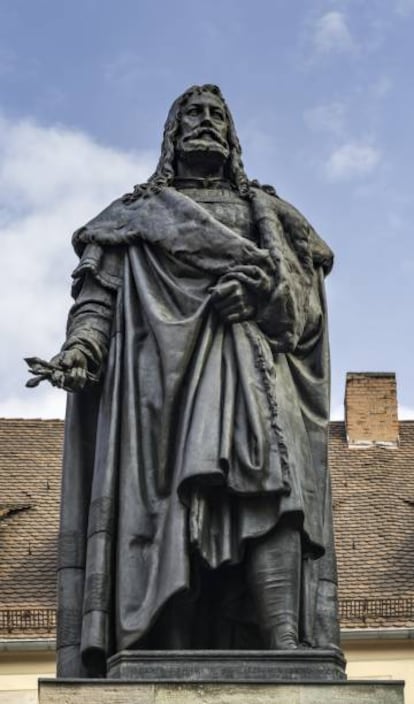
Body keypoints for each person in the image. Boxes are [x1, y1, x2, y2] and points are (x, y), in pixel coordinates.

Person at [29, 84, 340, 677]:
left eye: (216, 115)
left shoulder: (270, 215)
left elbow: (306, 309)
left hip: (254, 376)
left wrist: (263, 294)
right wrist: (80, 351)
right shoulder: (136, 215)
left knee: (273, 492)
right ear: (172, 133)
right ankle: (156, 647)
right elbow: (98, 297)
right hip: (159, 394)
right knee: (160, 508)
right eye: (192, 114)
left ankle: (285, 640)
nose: (205, 123)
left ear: (232, 134)